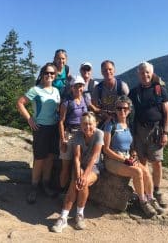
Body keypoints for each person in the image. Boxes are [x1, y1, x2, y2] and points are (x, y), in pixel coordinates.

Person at [103, 96, 163, 217]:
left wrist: (133, 154)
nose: (122, 111)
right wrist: (124, 160)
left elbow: (131, 147)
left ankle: (151, 198)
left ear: (129, 110)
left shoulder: (129, 125)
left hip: (126, 158)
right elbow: (106, 149)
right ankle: (142, 202)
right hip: (112, 160)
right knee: (137, 172)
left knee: (146, 171)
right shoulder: (110, 125)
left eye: (125, 108)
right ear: (115, 109)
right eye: (119, 108)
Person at [51, 112, 104, 233]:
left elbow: (94, 157)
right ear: (80, 125)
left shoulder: (99, 134)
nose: (88, 127)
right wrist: (79, 174)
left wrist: (84, 176)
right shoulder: (78, 135)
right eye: (85, 124)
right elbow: (76, 157)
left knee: (83, 183)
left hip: (94, 167)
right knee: (75, 182)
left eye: (90, 124)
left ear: (95, 124)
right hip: (80, 166)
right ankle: (63, 217)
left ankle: (79, 215)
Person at [17, 62, 60, 204]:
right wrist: (30, 119)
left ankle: (45, 184)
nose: (49, 75)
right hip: (40, 128)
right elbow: (20, 103)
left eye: (52, 73)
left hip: (54, 128)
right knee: (39, 159)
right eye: (47, 73)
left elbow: (58, 110)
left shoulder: (56, 91)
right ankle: (34, 187)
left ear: (55, 75)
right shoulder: (35, 90)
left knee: (50, 158)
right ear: (42, 74)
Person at [128, 61, 168, 208]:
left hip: (156, 131)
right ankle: (146, 192)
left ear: (152, 73)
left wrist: (165, 132)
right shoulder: (134, 92)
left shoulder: (159, 90)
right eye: (142, 72)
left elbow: (166, 113)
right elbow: (125, 105)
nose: (145, 75)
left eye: (147, 72)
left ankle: (157, 191)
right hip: (139, 130)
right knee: (143, 162)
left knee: (157, 162)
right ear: (138, 74)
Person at [59, 75, 89, 195]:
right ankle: (62, 191)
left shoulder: (84, 99)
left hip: (81, 135)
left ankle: (73, 191)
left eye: (81, 86)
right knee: (66, 166)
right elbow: (61, 121)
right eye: (76, 86)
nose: (79, 88)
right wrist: (63, 140)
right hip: (69, 134)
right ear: (72, 87)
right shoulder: (66, 102)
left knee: (78, 164)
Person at [92, 60, 129, 127]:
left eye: (110, 69)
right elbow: (94, 106)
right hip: (104, 121)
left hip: (120, 120)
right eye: (105, 70)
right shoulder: (98, 89)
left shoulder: (122, 86)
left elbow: (129, 106)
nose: (108, 72)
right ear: (101, 72)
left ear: (114, 70)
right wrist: (102, 113)